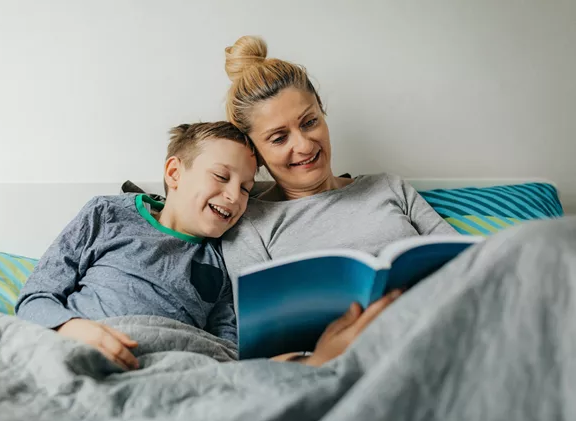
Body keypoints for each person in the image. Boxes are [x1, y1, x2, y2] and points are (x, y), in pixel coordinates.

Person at [218, 35, 564, 366]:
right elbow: (257, 355)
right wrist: (321, 360)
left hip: (442, 336)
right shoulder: (249, 224)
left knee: (544, 240)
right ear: (255, 153)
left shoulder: (389, 187)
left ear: (323, 115)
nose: (305, 145)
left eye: (310, 122)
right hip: (345, 368)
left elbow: (468, 265)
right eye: (279, 138)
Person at [15, 121, 257, 370]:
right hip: (85, 346)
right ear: (174, 173)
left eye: (245, 189)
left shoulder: (223, 257)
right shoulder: (107, 214)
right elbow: (34, 300)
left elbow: (226, 344)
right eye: (221, 176)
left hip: (166, 366)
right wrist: (70, 327)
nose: (234, 196)